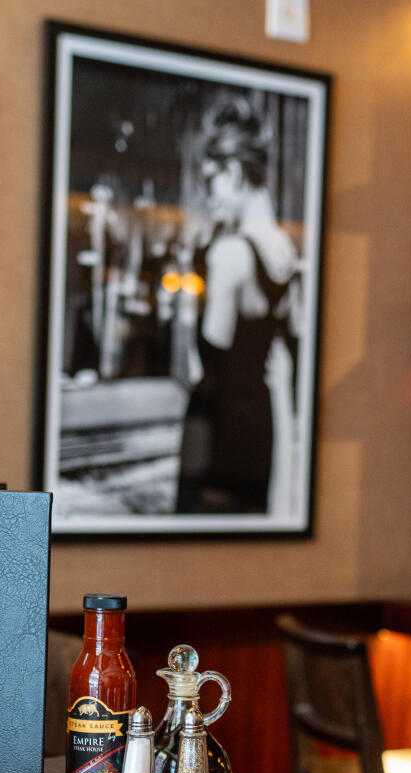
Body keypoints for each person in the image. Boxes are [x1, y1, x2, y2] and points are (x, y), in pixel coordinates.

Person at [175, 93, 301, 516]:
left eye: (210, 180)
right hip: (260, 432)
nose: (208, 194)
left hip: (219, 440)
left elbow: (207, 369)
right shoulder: (283, 247)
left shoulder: (229, 253)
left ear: (233, 172)